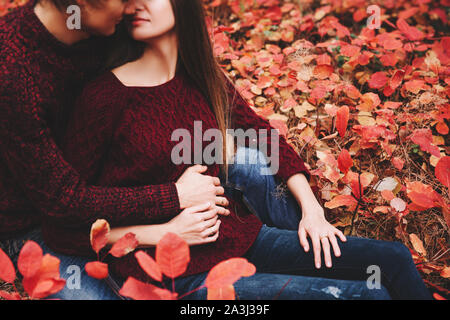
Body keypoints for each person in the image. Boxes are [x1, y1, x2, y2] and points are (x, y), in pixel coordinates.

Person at [42, 0, 433, 299]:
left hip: (239, 238)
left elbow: (266, 138)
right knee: (364, 293)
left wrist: (312, 213)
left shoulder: (203, 79)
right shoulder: (104, 97)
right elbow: (67, 222)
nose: (136, 5)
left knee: (393, 260)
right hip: (173, 278)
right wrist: (163, 233)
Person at [0, 0, 229, 299]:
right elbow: (63, 202)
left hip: (121, 182)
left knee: (249, 163)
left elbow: (188, 77)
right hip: (37, 224)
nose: (133, 6)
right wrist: (175, 197)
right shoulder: (12, 68)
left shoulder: (106, 22)